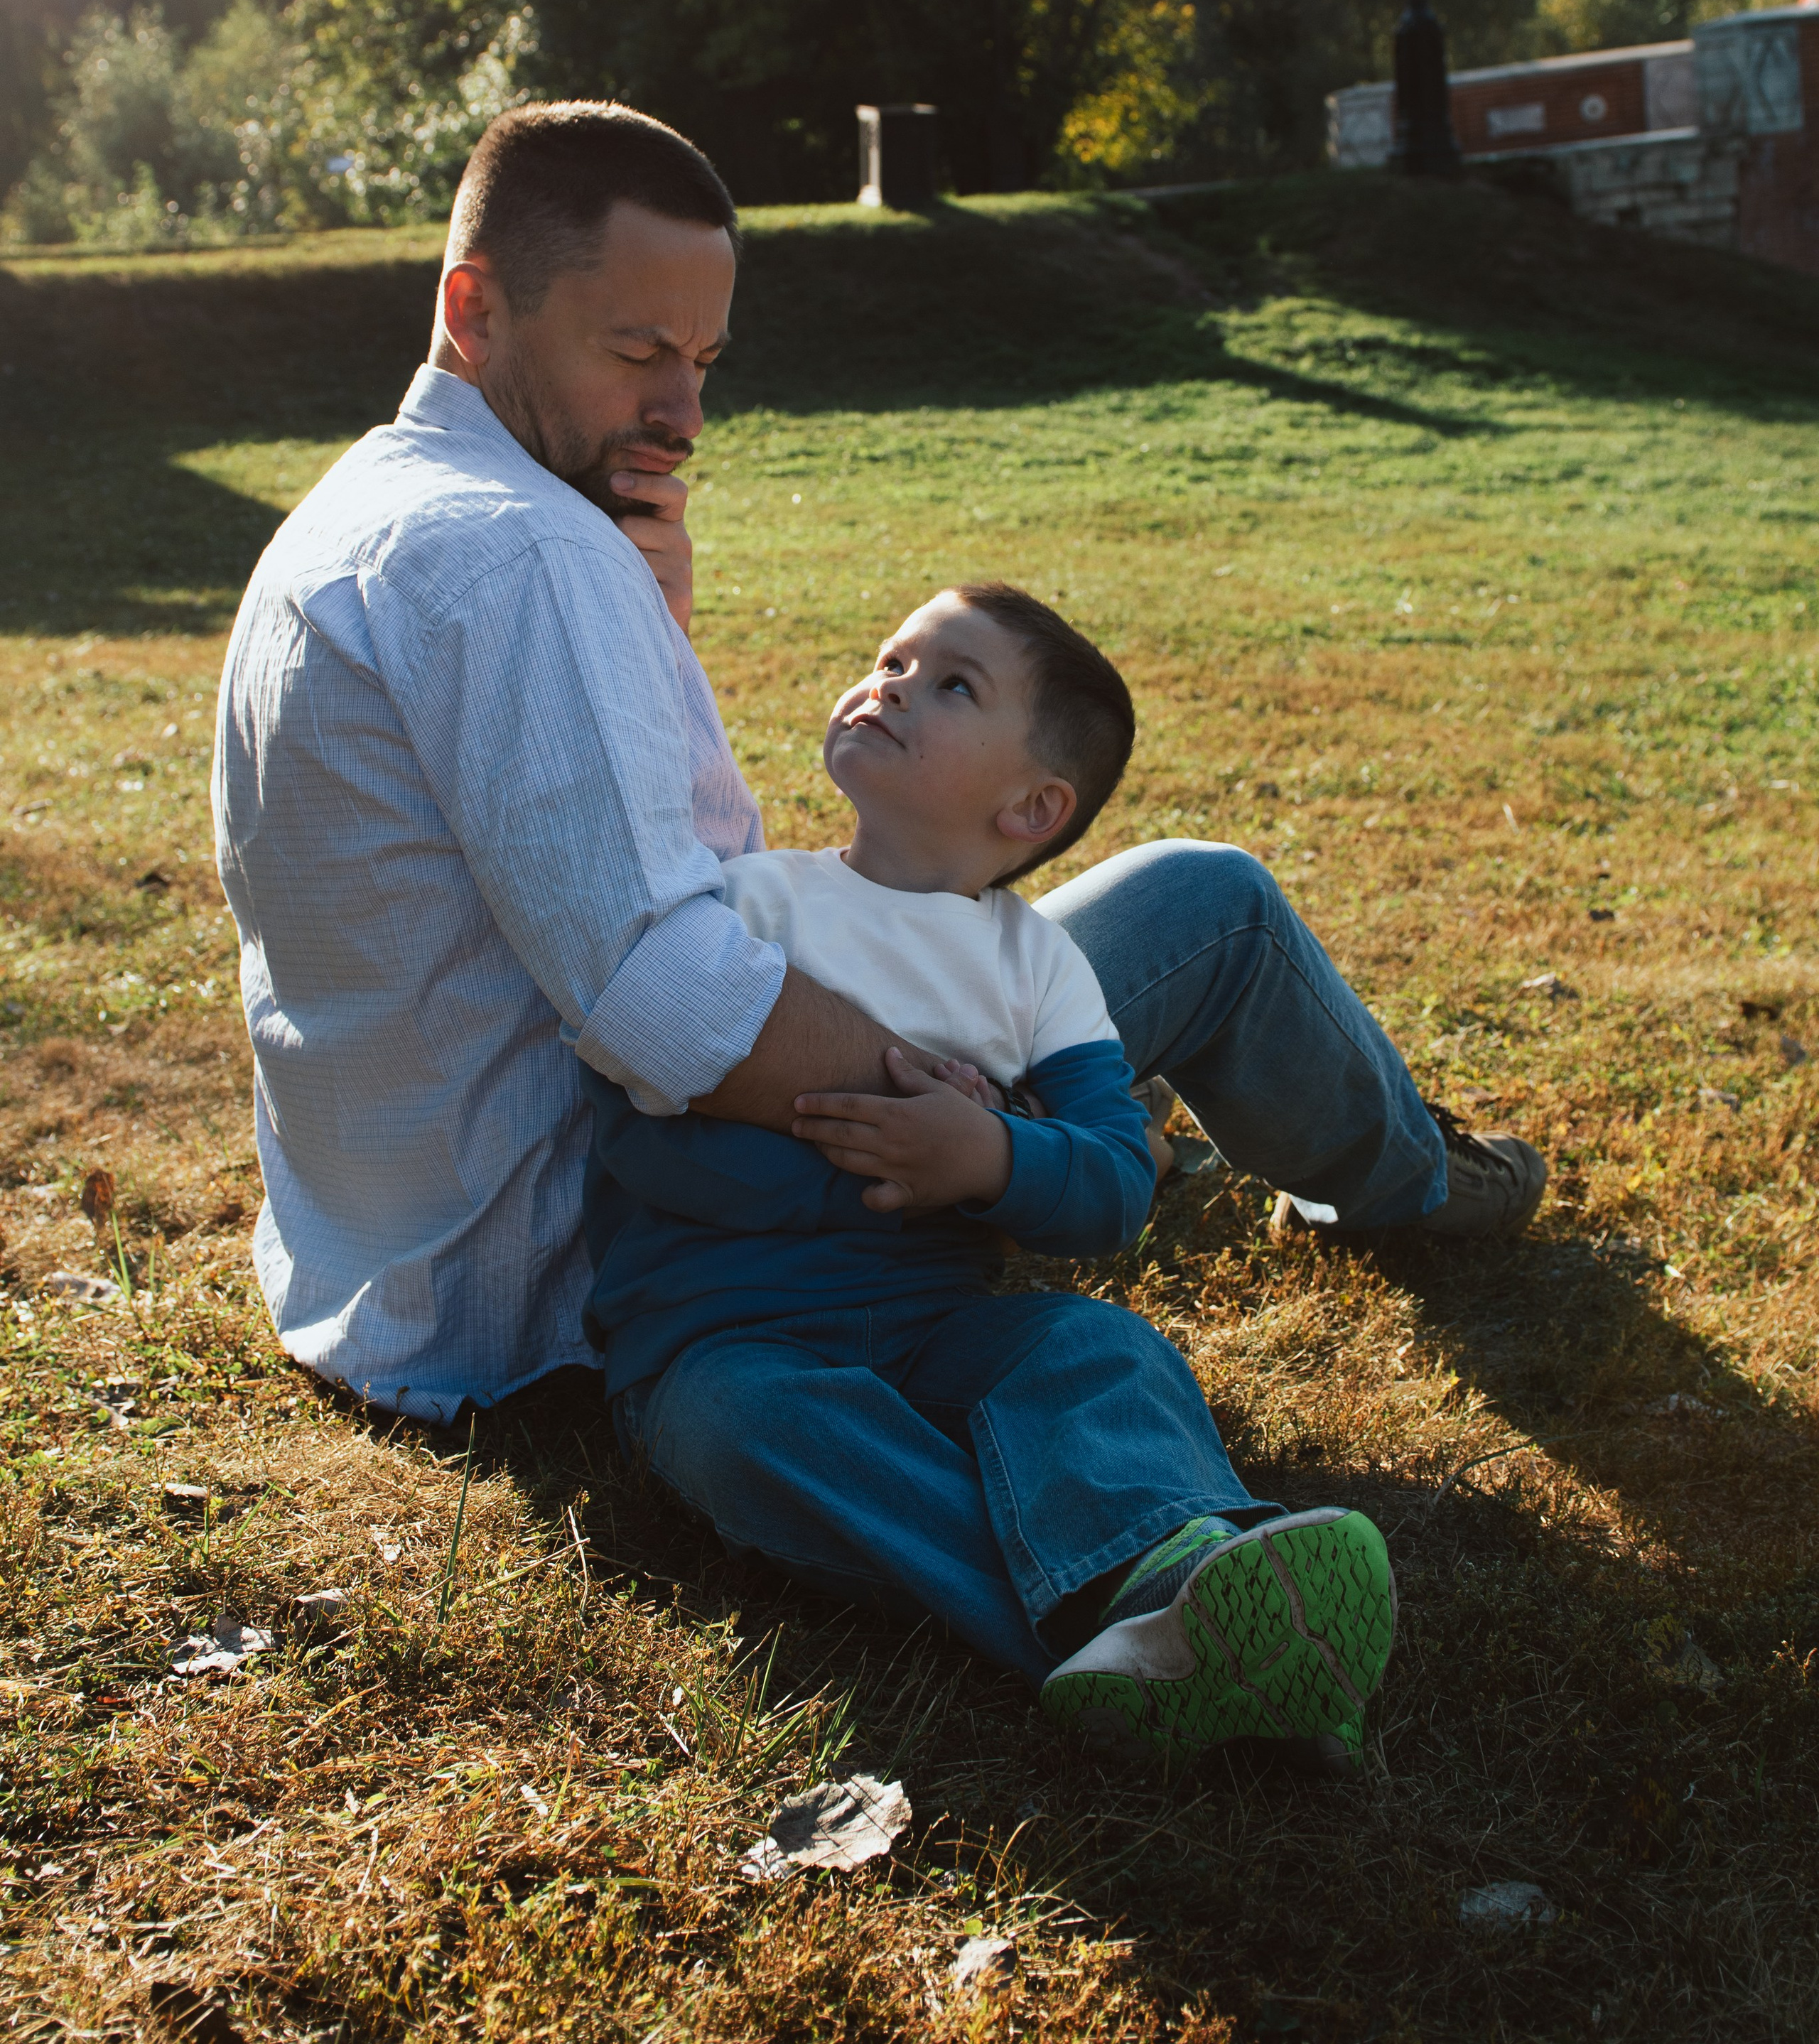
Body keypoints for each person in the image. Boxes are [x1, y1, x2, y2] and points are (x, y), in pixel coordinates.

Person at [213, 99, 1548, 1441]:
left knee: (1021, 967)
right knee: (1213, 907)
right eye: (637, 353)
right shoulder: (524, 554)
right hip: (622, 1250)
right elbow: (670, 999)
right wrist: (963, 1100)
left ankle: (1146, 1123)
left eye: (703, 360)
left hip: (393, 1282)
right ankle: (1417, 1186)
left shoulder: (354, 517)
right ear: (477, 308)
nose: (683, 414)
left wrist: (651, 633)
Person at [582, 579, 1398, 1767]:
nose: (891, 685)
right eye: (890, 660)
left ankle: (1174, 1566)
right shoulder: (751, 905)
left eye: (951, 683)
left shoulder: (1037, 968)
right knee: (749, 1431)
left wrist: (993, 1155)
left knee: (1096, 1347)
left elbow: (1116, 1175)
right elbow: (637, 1126)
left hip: (939, 1325)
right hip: (730, 1334)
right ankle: (1136, 1619)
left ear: (1033, 808)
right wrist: (862, 1162)